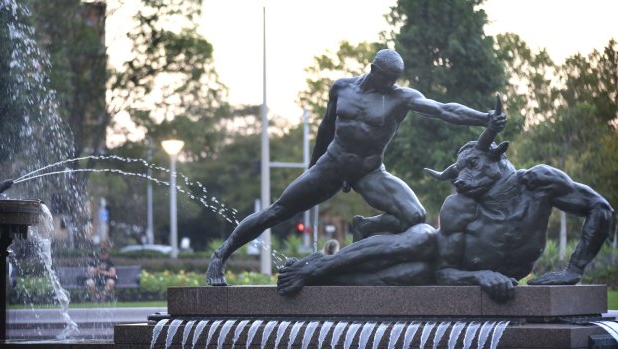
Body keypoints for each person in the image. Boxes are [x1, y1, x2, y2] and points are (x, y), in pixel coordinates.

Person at [206, 48, 506, 286]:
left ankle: (367, 228)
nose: (391, 83)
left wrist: (483, 118)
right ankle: (221, 255)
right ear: (374, 69)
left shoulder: (401, 97)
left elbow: (444, 110)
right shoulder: (342, 88)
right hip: (333, 165)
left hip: (370, 171)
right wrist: (312, 168)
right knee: (277, 211)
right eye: (387, 77)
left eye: (395, 78)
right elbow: (325, 128)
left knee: (415, 216)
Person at [276, 124, 613, 303]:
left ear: (498, 158)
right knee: (420, 238)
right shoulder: (460, 205)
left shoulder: (538, 182)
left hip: (441, 275)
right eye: (460, 169)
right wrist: (481, 277)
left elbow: (600, 208)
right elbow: (445, 272)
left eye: (473, 165)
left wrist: (574, 269)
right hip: (442, 263)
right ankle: (316, 266)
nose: (463, 177)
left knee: (403, 275)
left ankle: (313, 273)